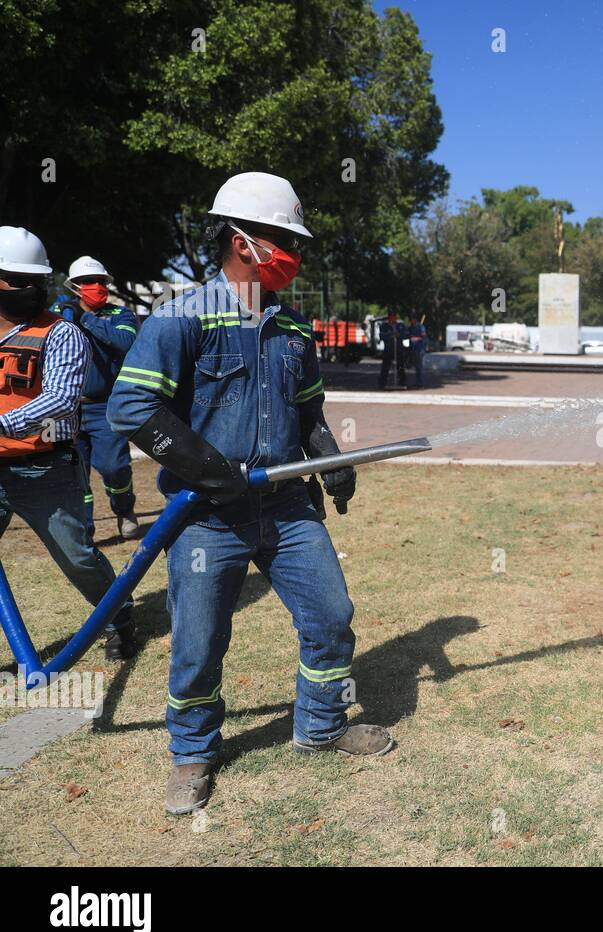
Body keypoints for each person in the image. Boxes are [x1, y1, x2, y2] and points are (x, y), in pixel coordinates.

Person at [108, 172, 392, 816]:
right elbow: (132, 406)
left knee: (330, 617)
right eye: (282, 240)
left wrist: (330, 459)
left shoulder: (293, 327)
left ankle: (321, 726)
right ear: (242, 240)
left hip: (287, 509)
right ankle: (192, 755)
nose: (293, 254)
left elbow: (308, 408)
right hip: (207, 517)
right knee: (200, 642)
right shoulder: (182, 317)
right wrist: (209, 469)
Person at [0, 227, 136, 661]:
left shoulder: (61, 333)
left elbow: (59, 399)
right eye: (19, 281)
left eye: (37, 281)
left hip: (44, 468)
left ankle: (117, 617)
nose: (31, 290)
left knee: (77, 557)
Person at [55, 256, 141, 540]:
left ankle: (124, 508)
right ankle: (85, 531)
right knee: (75, 474)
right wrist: (64, 318)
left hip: (106, 406)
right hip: (67, 409)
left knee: (113, 467)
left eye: (100, 281)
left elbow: (125, 343)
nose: (96, 286)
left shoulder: (121, 316)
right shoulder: (59, 314)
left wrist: (87, 319)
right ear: (75, 287)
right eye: (88, 282)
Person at [376, 312, 406, 389]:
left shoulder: (400, 325)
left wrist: (398, 335)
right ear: (389, 318)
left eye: (395, 317)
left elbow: (404, 334)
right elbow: (382, 336)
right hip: (388, 349)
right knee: (385, 367)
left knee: (400, 367)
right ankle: (382, 383)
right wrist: (390, 335)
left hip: (398, 349)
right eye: (392, 317)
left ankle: (402, 383)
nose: (394, 319)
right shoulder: (384, 326)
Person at [407, 314, 427, 387]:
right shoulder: (411, 327)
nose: (411, 321)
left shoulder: (420, 327)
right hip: (412, 348)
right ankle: (417, 382)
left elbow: (423, 335)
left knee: (419, 367)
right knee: (415, 366)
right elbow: (407, 335)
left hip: (419, 349)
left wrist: (416, 338)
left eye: (412, 320)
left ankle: (420, 383)